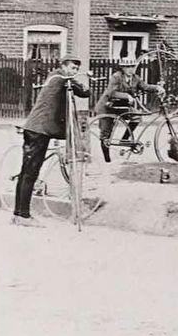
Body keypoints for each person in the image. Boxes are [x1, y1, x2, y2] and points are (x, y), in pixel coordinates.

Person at [11, 55, 91, 221]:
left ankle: (18, 215)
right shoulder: (60, 78)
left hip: (37, 129)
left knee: (27, 173)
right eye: (72, 68)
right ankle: (23, 216)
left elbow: (83, 94)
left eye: (77, 69)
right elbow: (84, 92)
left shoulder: (56, 77)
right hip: (39, 130)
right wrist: (85, 80)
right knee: (30, 174)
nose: (74, 71)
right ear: (63, 66)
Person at [95, 57, 159, 163]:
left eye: (132, 67)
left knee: (136, 116)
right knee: (106, 135)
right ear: (123, 68)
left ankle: (124, 139)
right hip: (107, 107)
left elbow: (145, 87)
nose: (130, 69)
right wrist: (127, 96)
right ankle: (107, 160)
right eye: (127, 67)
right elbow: (111, 93)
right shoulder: (116, 77)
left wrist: (157, 88)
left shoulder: (135, 78)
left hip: (121, 106)